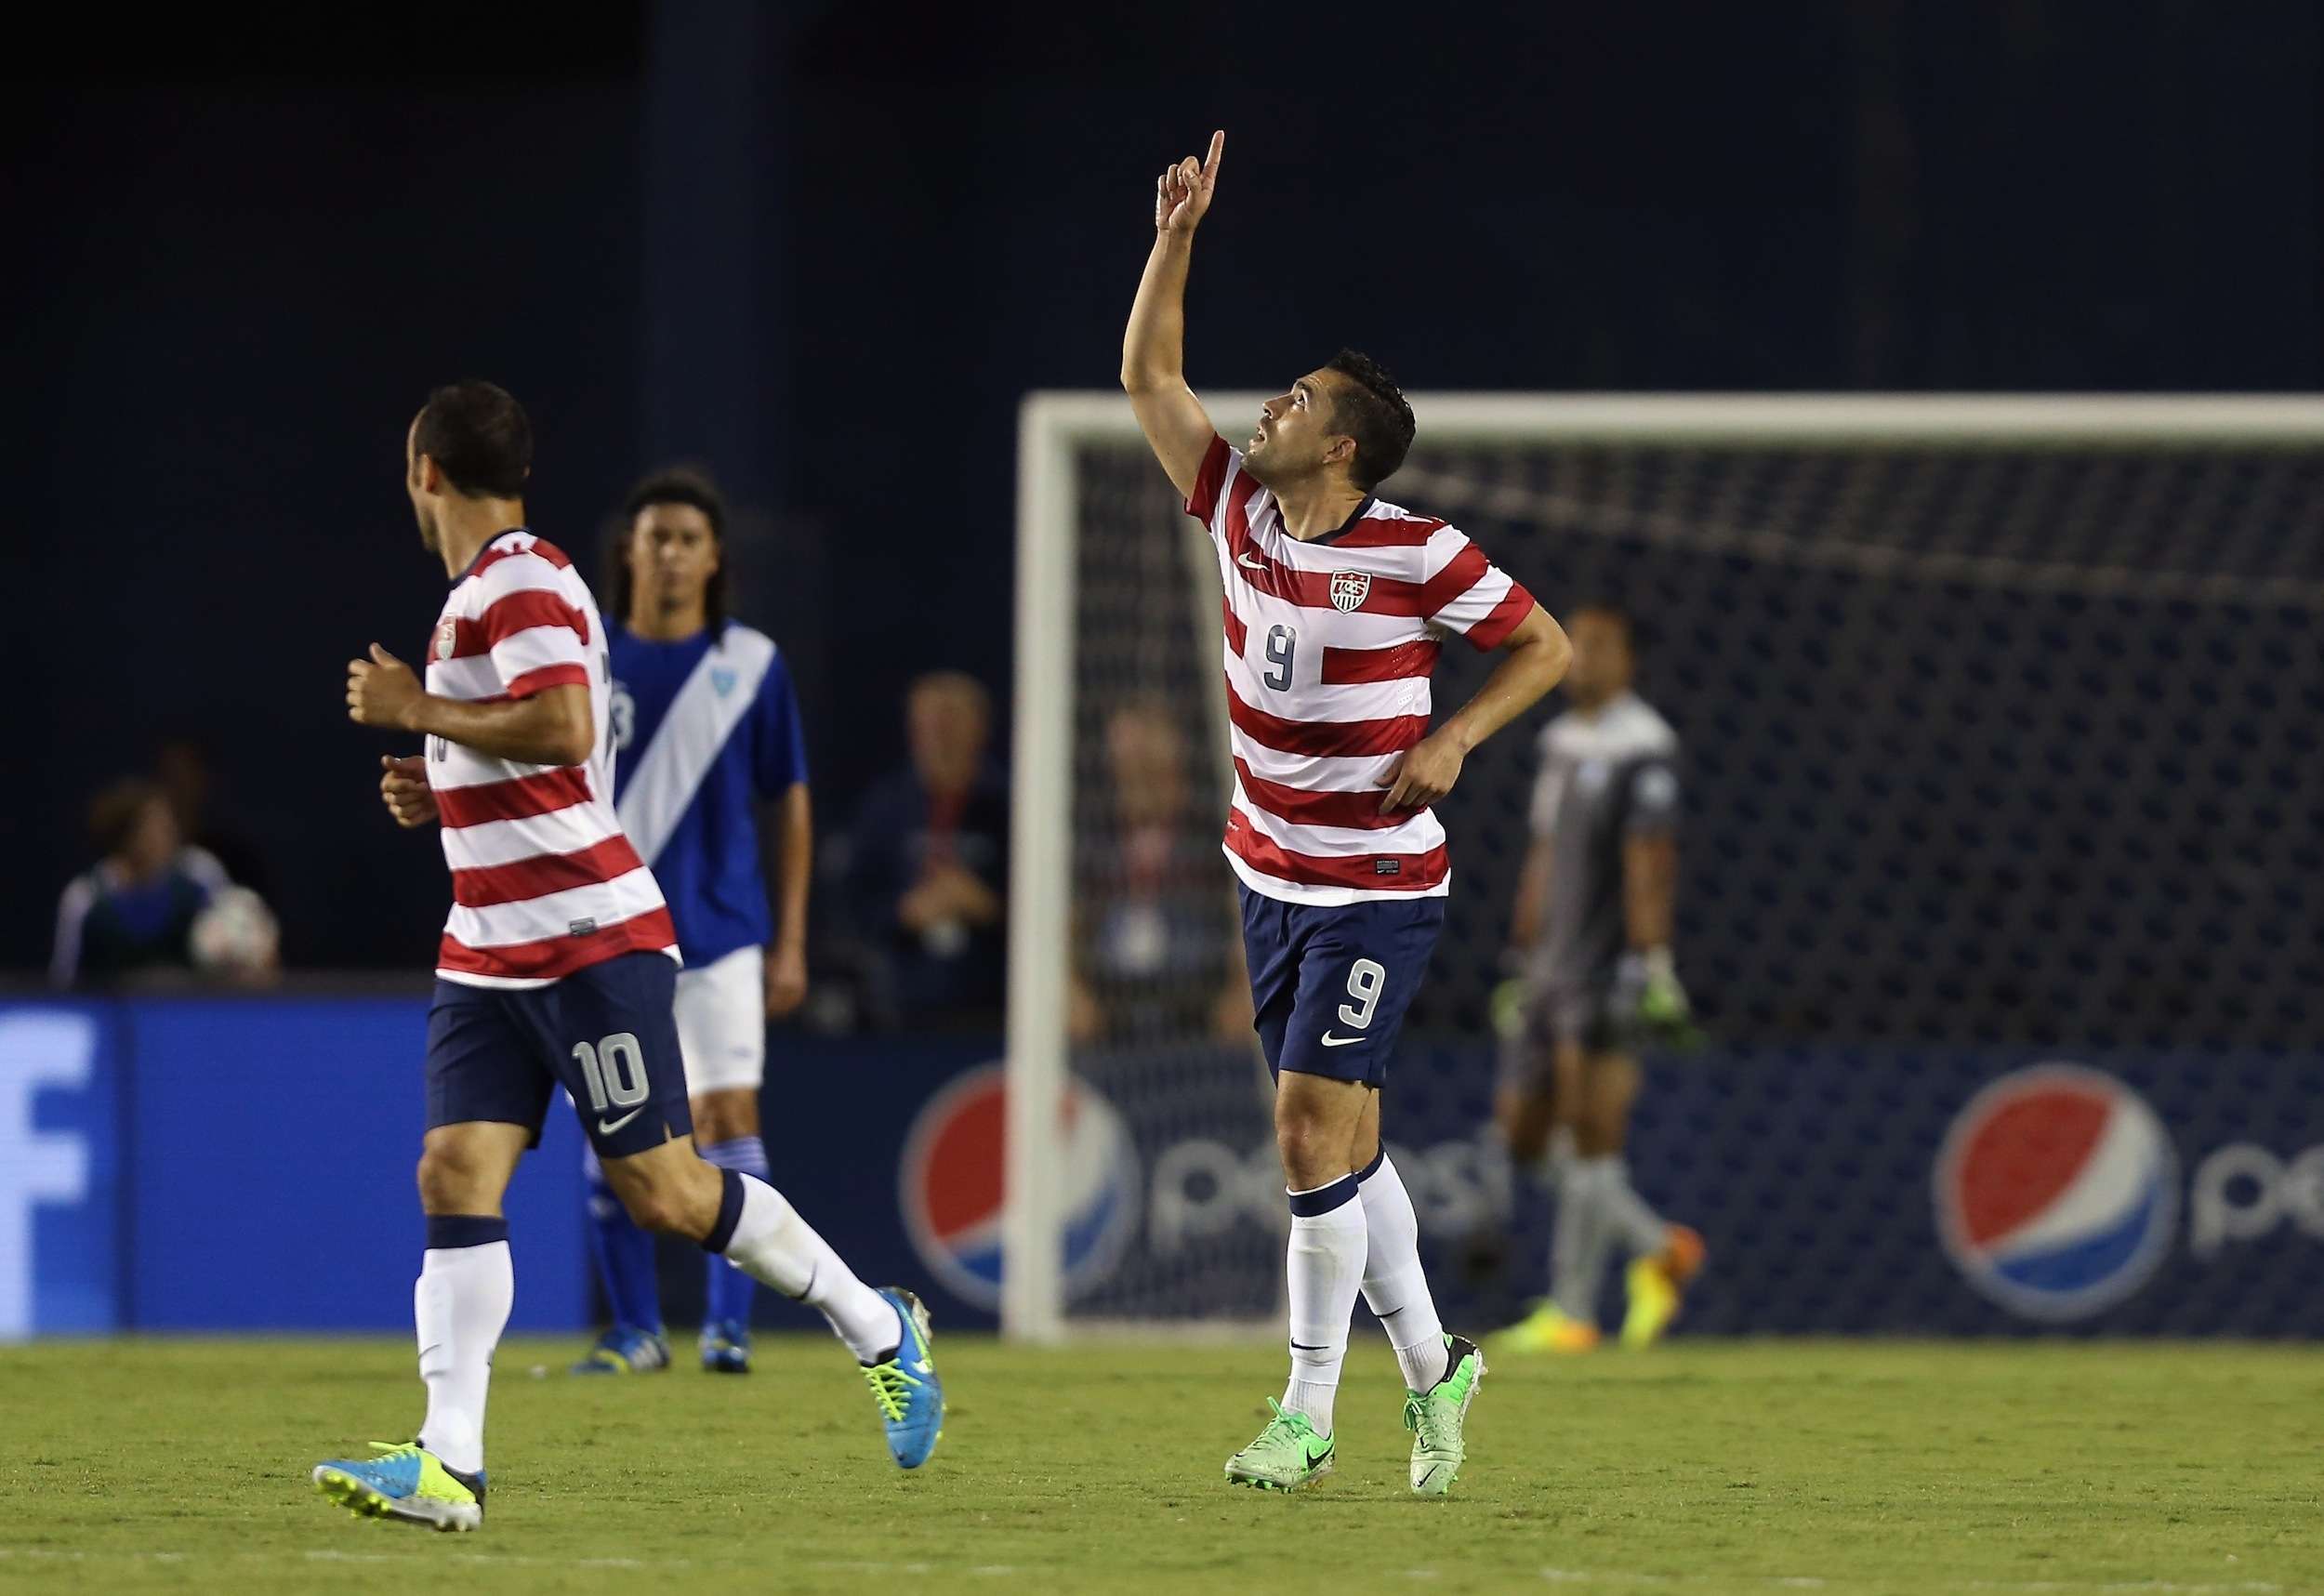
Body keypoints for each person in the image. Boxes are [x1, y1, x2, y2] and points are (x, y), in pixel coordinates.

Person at [313, 381, 942, 1534]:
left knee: (665, 1191)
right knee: (452, 1176)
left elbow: (562, 726)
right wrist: (438, 784)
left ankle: (878, 1326)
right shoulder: (479, 597)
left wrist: (419, 713)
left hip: (588, 942)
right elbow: (541, 757)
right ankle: (450, 1464)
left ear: (423, 472)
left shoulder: (524, 578)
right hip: (488, 954)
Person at [1121, 132, 1573, 1497]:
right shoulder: (1238, 516)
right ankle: (1438, 1370)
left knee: (1309, 1127)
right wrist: (1178, 234)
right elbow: (1149, 375)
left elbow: (1543, 645)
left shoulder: (1417, 550)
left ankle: (1308, 1413)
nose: (1270, 408)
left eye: (1298, 399)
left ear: (1349, 442)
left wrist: (1454, 738)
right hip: (1270, 878)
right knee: (1349, 1149)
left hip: (1381, 880)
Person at [565, 468, 814, 1378]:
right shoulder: (586, 663)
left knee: (725, 1114)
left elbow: (788, 801)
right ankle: (636, 1329)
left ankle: (727, 1325)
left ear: (713, 559)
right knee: (614, 1130)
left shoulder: (749, 664)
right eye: (654, 535)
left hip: (718, 932)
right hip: (604, 931)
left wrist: (790, 936)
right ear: (626, 551)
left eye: (686, 539)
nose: (668, 552)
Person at [1491, 603, 1703, 1355]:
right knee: (1520, 1130)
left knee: (1589, 1132)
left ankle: (1572, 1310)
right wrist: (1521, 957)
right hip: (1547, 969)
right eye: (1575, 644)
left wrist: (1653, 965)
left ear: (1630, 661)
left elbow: (1651, 863)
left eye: (1601, 647)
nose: (1582, 658)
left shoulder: (1645, 746)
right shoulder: (1558, 741)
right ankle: (1661, 1248)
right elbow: (1543, 856)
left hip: (1606, 967)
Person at [1069, 699, 1249, 1047]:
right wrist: (1071, 988)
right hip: (1109, 1006)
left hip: (1200, 1003)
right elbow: (1067, 923)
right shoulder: (1094, 839)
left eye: (1150, 770)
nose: (1140, 781)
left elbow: (1244, 914)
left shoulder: (1216, 830)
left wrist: (1242, 987)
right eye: (1128, 770)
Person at [844, 672, 1008, 1029]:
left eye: (951, 723)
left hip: (996, 1011)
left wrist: (986, 905)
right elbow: (851, 908)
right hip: (900, 1011)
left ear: (980, 728)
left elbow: (1049, 910)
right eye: (929, 725)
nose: (940, 738)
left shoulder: (1010, 808)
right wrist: (904, 911)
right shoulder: (884, 809)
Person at [51, 778, 231, 987]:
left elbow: (230, 937)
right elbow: (64, 979)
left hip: (188, 1013)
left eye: (168, 823)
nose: (169, 832)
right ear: (127, 837)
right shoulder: (84, 897)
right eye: (155, 827)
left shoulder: (200, 873)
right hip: (111, 1012)